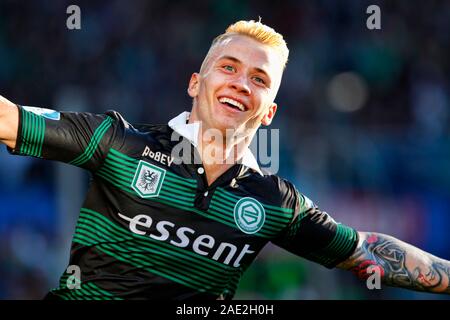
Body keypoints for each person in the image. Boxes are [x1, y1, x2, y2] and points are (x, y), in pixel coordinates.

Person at [0, 20, 449, 300]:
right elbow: (10, 119)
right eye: (228, 67)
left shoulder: (275, 202)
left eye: (259, 78)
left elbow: (364, 250)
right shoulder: (116, 141)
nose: (240, 83)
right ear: (196, 83)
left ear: (268, 110)